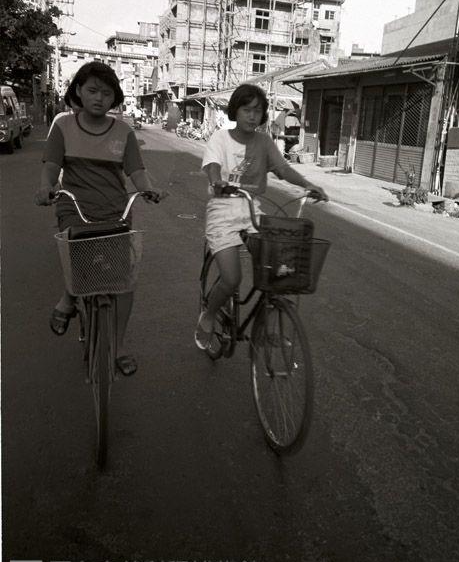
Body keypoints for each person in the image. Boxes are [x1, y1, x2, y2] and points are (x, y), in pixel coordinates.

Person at [35, 61, 164, 376]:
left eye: (106, 93)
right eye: (92, 90)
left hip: (115, 211)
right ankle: (68, 300)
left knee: (124, 283)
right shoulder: (63, 126)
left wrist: (148, 189)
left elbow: (137, 171)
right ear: (79, 90)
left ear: (114, 97)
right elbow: (51, 166)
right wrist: (46, 187)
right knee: (79, 261)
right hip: (74, 208)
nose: (99, 98)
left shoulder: (124, 131)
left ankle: (118, 346)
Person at [194, 83, 328, 350]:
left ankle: (266, 327)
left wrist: (308, 184)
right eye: (246, 109)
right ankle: (208, 315)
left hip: (251, 210)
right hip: (222, 209)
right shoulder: (220, 138)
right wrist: (217, 181)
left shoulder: (264, 142)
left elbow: (282, 169)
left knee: (278, 268)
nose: (252, 116)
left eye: (257, 110)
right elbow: (212, 165)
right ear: (235, 110)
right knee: (232, 279)